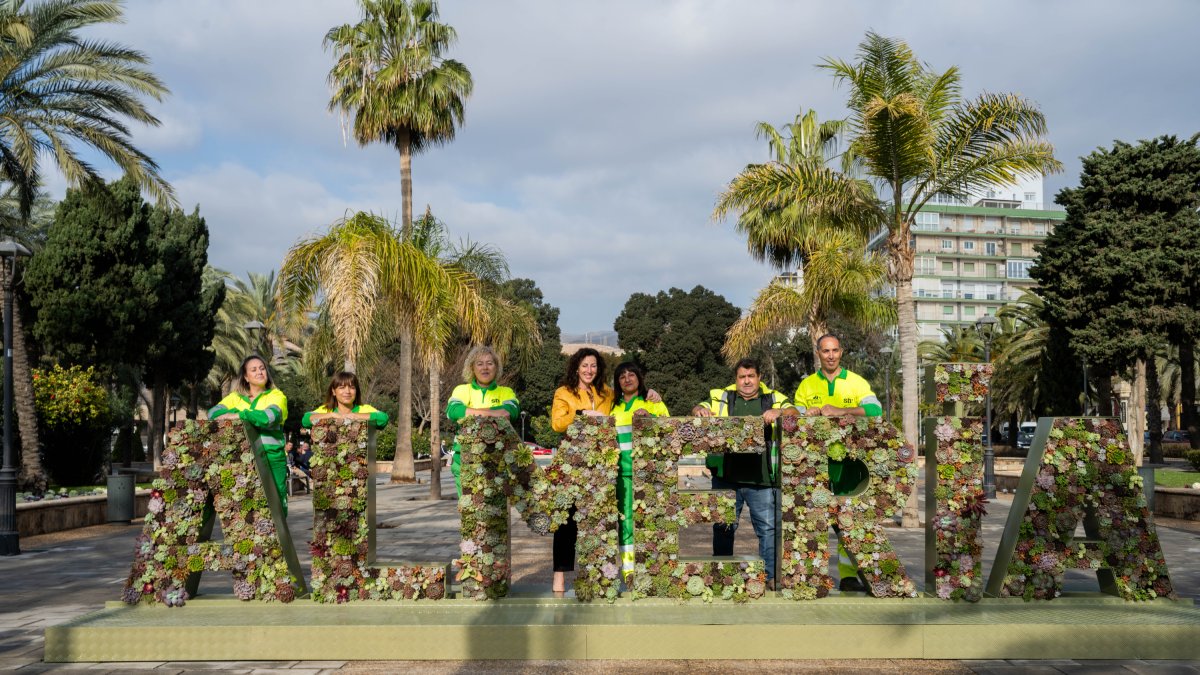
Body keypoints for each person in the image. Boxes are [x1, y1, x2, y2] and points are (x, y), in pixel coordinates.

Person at [692, 357, 798, 589]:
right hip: (725, 476)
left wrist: (779, 412)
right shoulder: (723, 397)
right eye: (742, 377)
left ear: (759, 378)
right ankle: (721, 576)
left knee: (768, 529)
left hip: (761, 478)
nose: (747, 381)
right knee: (722, 527)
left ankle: (770, 576)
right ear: (736, 379)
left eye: (751, 376)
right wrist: (700, 410)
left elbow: (795, 410)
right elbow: (700, 407)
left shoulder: (772, 398)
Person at [793, 333, 883, 593]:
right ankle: (810, 577)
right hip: (813, 466)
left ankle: (847, 576)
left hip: (849, 464)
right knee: (812, 523)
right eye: (825, 351)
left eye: (835, 350)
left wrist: (841, 410)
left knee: (848, 523)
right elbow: (793, 413)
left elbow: (875, 410)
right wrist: (804, 413)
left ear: (841, 352)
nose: (830, 355)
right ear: (818, 353)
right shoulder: (807, 385)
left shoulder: (856, 383)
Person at [549, 347, 615, 593]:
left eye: (594, 366)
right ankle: (559, 576)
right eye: (585, 365)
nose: (589, 370)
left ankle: (594, 578)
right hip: (571, 465)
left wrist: (650, 394)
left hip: (600, 465)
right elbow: (556, 423)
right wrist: (580, 413)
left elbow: (625, 406)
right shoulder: (563, 392)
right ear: (576, 367)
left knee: (597, 521)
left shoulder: (607, 393)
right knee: (565, 521)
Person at [208, 355, 290, 515]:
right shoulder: (235, 397)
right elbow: (213, 413)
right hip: (242, 458)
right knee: (246, 505)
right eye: (254, 369)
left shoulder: (277, 395)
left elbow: (269, 418)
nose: (260, 372)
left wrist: (240, 414)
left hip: (271, 459)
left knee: (276, 506)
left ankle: (277, 540)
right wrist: (242, 412)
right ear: (246, 377)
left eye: (262, 368)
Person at [610, 362, 669, 581]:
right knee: (626, 523)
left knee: (652, 521)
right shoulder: (612, 406)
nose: (627, 379)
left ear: (639, 378)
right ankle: (629, 571)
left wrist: (650, 418)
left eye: (631, 375)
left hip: (648, 475)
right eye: (622, 376)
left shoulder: (652, 402)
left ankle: (654, 570)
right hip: (621, 476)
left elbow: (668, 428)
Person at [445, 346, 519, 497]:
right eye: (479, 363)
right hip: (464, 461)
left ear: (496, 367)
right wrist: (492, 412)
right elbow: (453, 411)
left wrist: (470, 411)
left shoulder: (506, 392)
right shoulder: (461, 390)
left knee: (495, 516)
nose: (485, 368)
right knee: (470, 514)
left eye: (490, 363)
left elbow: (509, 413)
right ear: (472, 367)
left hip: (497, 461)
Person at [301, 371, 390, 432]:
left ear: (356, 391)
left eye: (352, 387)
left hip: (361, 459)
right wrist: (331, 415)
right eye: (342, 388)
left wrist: (355, 416)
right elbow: (306, 420)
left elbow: (383, 419)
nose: (347, 392)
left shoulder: (364, 408)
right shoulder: (327, 409)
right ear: (333, 391)